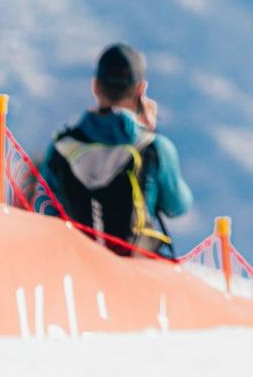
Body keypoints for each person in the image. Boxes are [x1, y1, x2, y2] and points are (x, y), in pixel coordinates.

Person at [40, 43, 192, 256]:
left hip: (76, 270)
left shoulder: (61, 148)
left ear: (95, 86)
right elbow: (177, 206)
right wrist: (149, 131)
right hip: (136, 271)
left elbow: (43, 207)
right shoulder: (154, 147)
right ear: (141, 89)